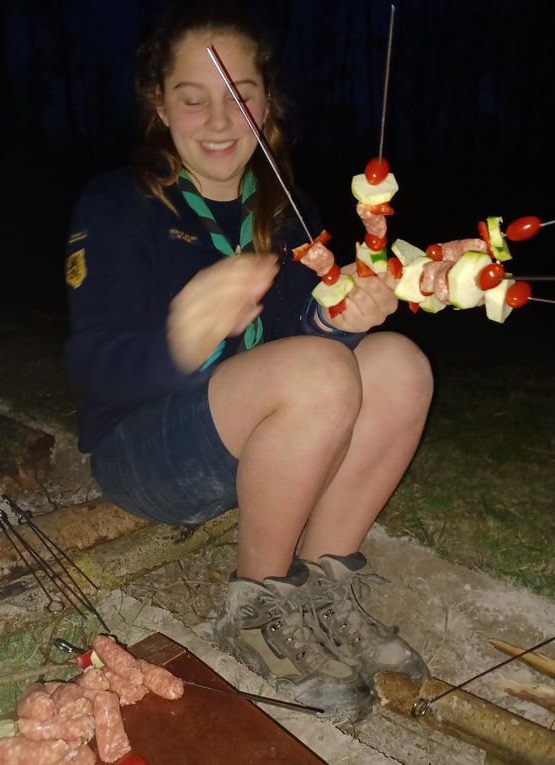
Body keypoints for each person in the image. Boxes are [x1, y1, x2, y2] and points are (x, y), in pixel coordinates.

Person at [65, 0, 433, 722]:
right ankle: (256, 601)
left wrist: (337, 317)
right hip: (144, 453)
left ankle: (325, 589)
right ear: (159, 106)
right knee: (319, 371)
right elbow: (94, 366)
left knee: (399, 362)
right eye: (191, 97)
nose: (218, 118)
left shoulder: (284, 209)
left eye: (240, 96)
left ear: (267, 107)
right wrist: (177, 342)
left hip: (265, 452)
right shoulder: (118, 204)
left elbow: (303, 338)